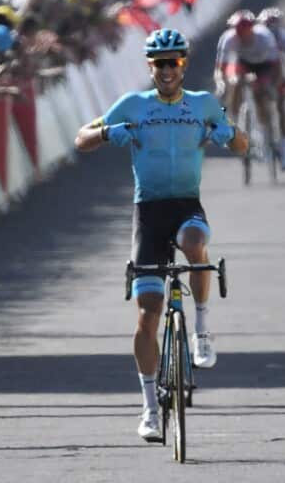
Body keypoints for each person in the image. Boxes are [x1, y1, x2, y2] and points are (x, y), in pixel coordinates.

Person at [73, 28, 248, 443]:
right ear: (150, 67)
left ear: (183, 65)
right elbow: (81, 139)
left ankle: (201, 331)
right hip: (149, 214)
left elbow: (243, 144)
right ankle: (150, 409)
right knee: (147, 315)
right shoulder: (133, 105)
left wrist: (228, 135)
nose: (167, 70)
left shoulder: (203, 104)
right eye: (159, 63)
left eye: (174, 62)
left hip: (187, 205)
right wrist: (106, 133)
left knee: (195, 245)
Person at [214, 10, 282, 147]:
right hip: (242, 63)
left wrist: (274, 85)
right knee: (235, 83)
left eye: (245, 32)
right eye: (238, 32)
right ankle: (234, 121)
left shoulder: (264, 37)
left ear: (252, 29)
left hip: (264, 64)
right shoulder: (229, 38)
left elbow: (276, 65)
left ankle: (265, 129)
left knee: (261, 92)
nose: (242, 36)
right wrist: (221, 84)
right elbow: (222, 67)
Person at [258, 8, 285, 170]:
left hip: (276, 71)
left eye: (274, 28)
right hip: (260, 68)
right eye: (268, 28)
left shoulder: (284, 38)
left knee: (281, 104)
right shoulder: (257, 37)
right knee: (259, 98)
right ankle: (264, 136)